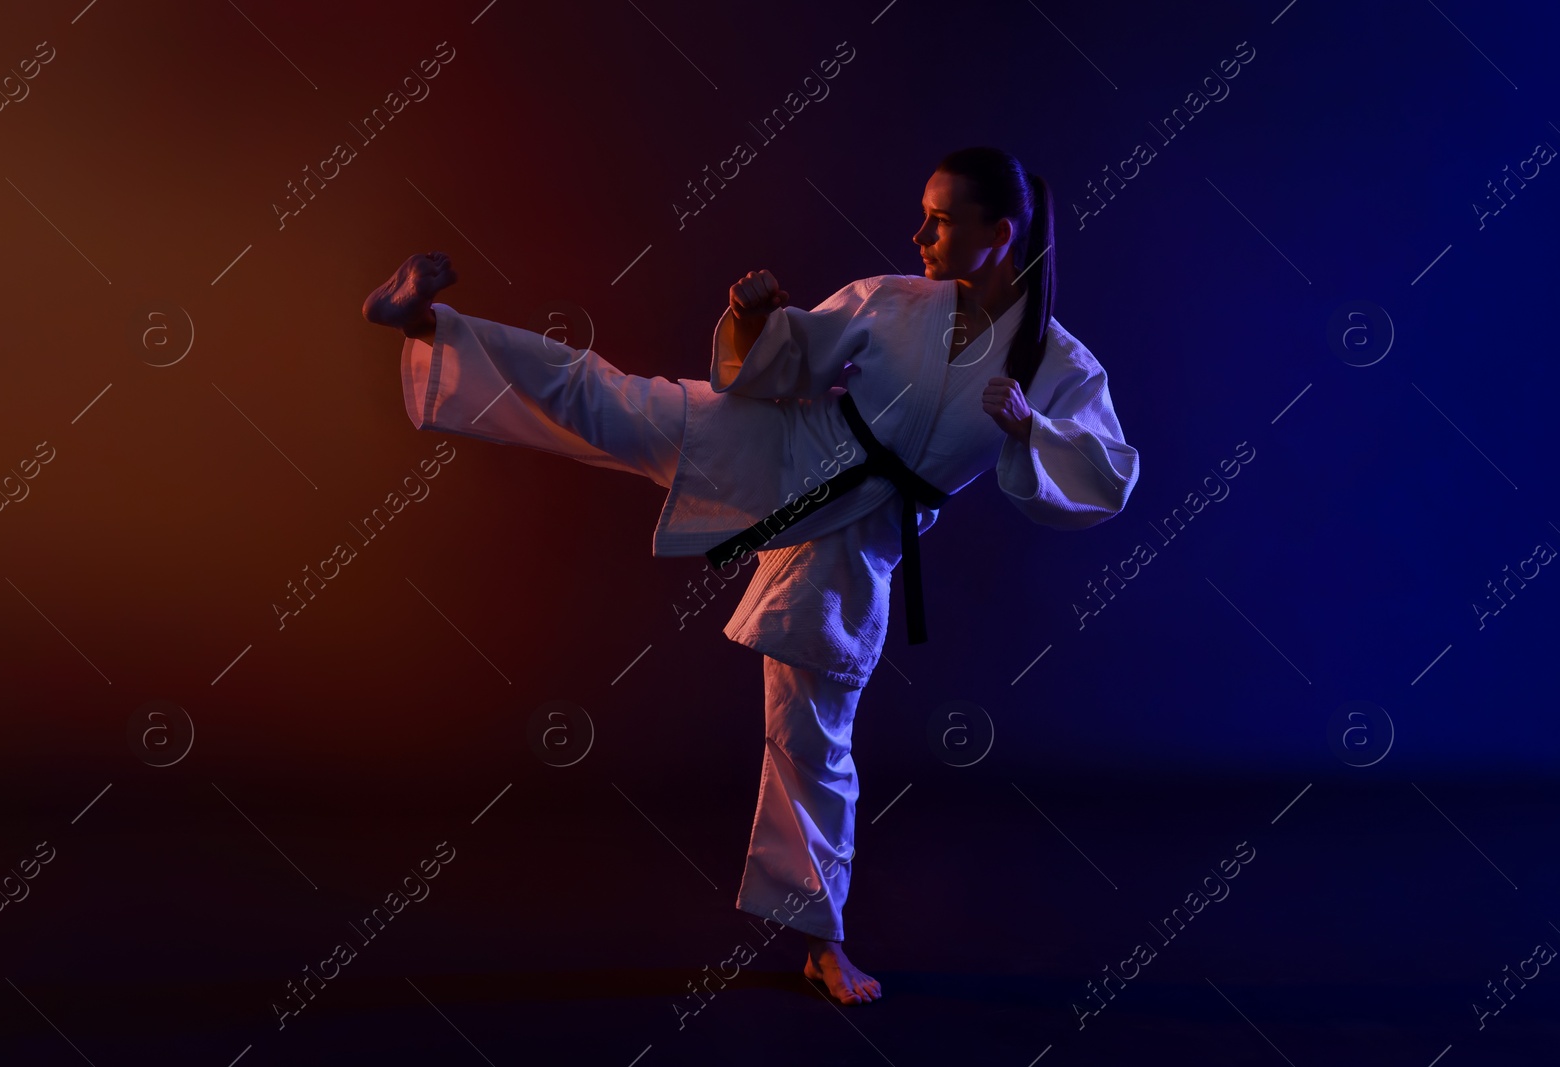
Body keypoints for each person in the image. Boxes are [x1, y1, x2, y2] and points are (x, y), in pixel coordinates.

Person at [362, 147, 1139, 1005]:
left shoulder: (1055, 363)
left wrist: (1032, 430)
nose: (918, 233)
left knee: (812, 739)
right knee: (617, 401)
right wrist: (753, 318)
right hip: (787, 446)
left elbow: (1107, 477)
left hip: (856, 540)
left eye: (942, 220)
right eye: (923, 213)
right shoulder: (893, 300)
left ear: (1003, 233)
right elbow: (787, 362)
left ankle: (821, 940)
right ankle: (433, 327)